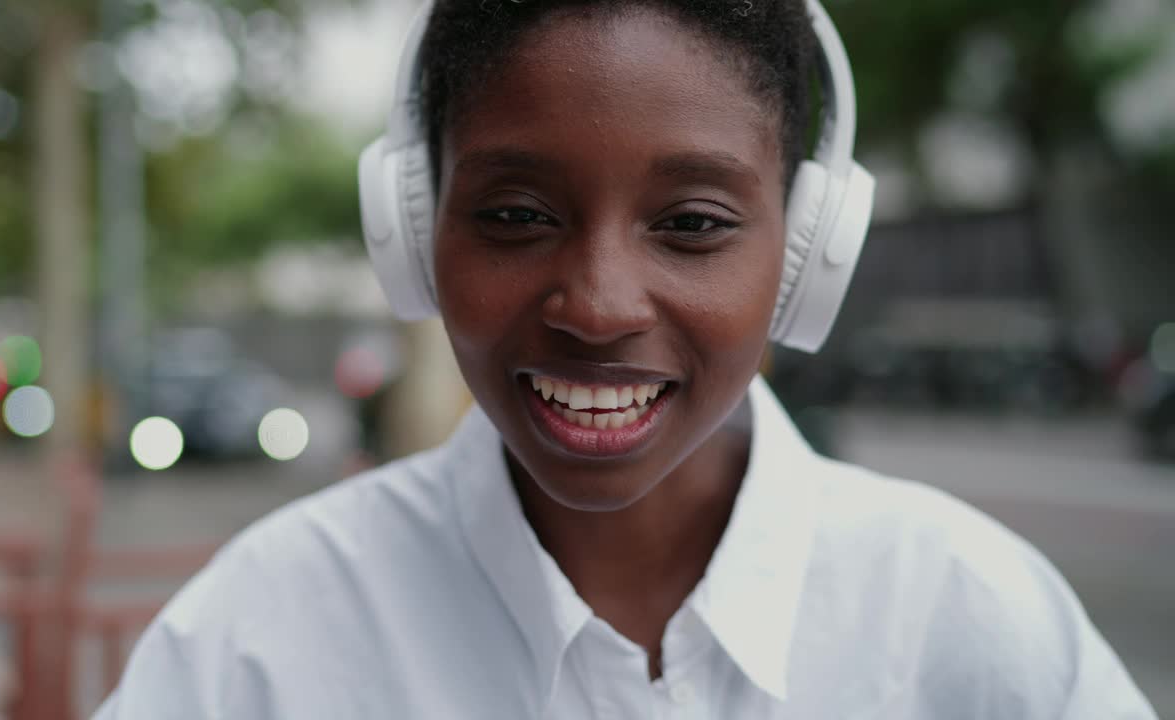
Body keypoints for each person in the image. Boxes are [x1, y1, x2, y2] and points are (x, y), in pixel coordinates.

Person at [92, 0, 1158, 717]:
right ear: (413, 234)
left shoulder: (965, 619)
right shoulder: (257, 642)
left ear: (803, 253)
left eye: (690, 224)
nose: (597, 307)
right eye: (514, 213)